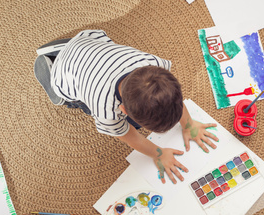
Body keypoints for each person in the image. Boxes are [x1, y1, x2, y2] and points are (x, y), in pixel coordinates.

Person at [34, 30, 218, 184]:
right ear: (123, 111)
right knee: (77, 101)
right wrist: (158, 153)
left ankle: (68, 53)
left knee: (86, 55)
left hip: (87, 41)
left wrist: (188, 125)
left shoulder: (154, 65)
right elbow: (131, 138)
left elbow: (173, 99)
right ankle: (54, 74)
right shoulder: (105, 111)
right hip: (65, 78)